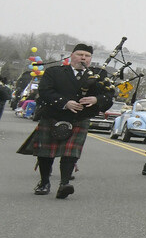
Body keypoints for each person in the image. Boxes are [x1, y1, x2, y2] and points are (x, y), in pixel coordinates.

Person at [17, 44, 113, 198]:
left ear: (90, 59)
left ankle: (64, 184)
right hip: (53, 116)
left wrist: (96, 99)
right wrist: (64, 102)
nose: (83, 58)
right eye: (80, 54)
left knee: (71, 153)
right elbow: (45, 92)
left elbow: (109, 97)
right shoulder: (54, 72)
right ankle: (44, 182)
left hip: (79, 118)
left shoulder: (99, 76)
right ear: (71, 56)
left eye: (87, 56)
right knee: (45, 153)